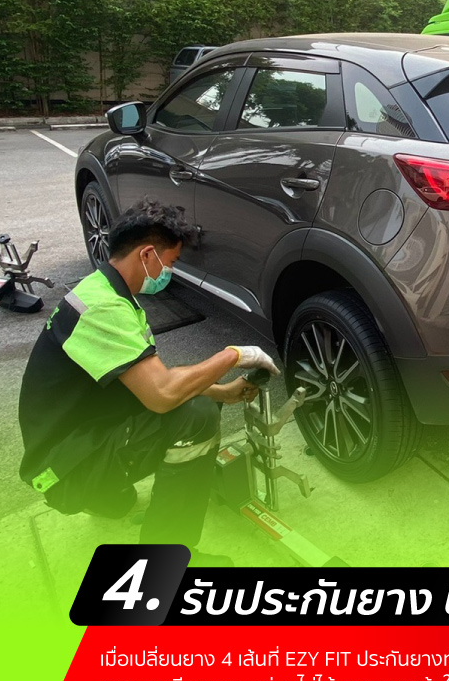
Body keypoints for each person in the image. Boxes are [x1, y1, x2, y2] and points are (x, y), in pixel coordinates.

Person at [18, 199, 279, 562]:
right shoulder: (105, 310)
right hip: (65, 469)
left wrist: (224, 392)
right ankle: (166, 560)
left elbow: (150, 380)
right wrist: (233, 355)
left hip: (67, 446)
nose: (169, 271)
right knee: (197, 416)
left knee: (195, 397)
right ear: (146, 255)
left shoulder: (101, 290)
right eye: (170, 262)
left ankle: (105, 496)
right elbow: (162, 394)